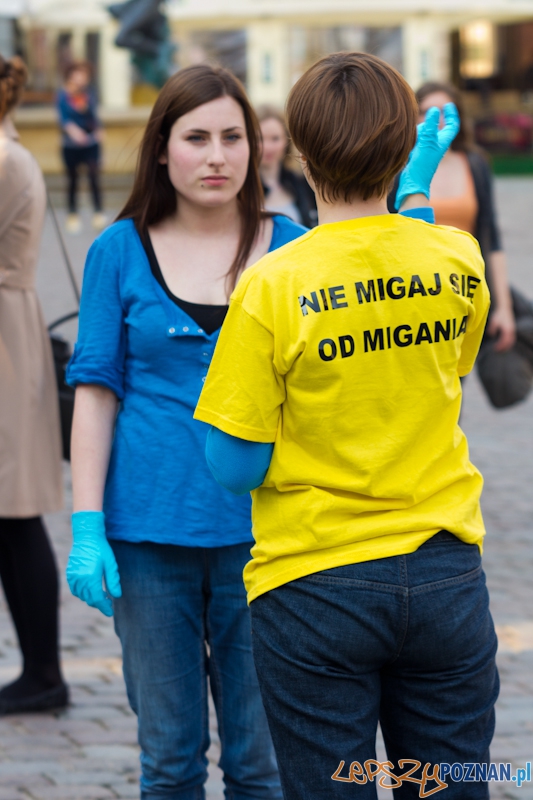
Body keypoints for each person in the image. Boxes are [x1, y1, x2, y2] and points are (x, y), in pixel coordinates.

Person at [195, 52, 499, 799]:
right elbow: (446, 359)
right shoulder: (458, 258)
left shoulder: (272, 282)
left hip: (315, 582)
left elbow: (234, 466)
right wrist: (415, 188)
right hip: (445, 573)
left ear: (299, 152)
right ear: (400, 148)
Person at [64, 64, 308, 800]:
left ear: (256, 148)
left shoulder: (294, 248)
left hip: (266, 539)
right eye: (196, 138)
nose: (217, 156)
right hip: (146, 540)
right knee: (168, 764)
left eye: (233, 137)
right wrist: (86, 526)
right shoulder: (118, 249)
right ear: (161, 149)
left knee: (261, 767)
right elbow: (95, 394)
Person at [0, 54, 68, 715]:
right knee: (10, 514)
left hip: (6, 342)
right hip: (9, 332)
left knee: (15, 512)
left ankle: (44, 671)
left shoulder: (3, 157)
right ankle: (40, 670)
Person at [389, 80, 515, 353]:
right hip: (415, 290)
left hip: (465, 290)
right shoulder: (399, 168)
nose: (435, 119)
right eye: (426, 111)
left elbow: (491, 236)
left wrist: (504, 306)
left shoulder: (475, 163)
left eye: (444, 111)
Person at [56, 61, 106, 234]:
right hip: (71, 145)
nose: (81, 78)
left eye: (84, 75)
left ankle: (98, 213)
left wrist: (99, 130)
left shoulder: (89, 94)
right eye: (78, 74)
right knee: (73, 179)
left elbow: (94, 116)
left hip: (90, 143)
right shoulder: (63, 95)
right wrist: (74, 132)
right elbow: (63, 119)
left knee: (94, 176)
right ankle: (72, 214)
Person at [258, 105, 317, 227]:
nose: (267, 147)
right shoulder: (241, 188)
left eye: (275, 138)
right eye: (260, 138)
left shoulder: (302, 183)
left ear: (287, 141)